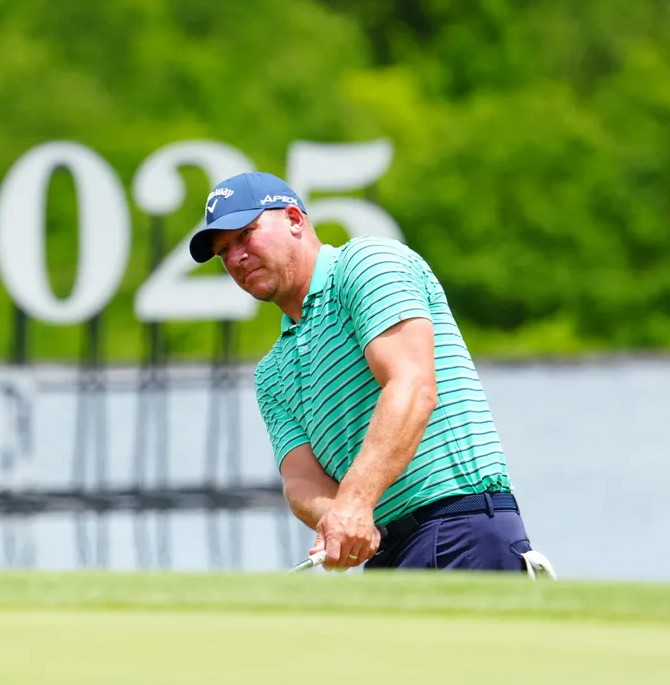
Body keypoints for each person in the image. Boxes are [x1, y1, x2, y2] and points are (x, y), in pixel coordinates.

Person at [190, 171, 547, 574]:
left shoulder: (366, 264)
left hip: (460, 528)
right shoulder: (271, 373)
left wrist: (355, 504)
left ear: (294, 219)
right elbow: (300, 479)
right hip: (384, 553)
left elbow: (412, 385)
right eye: (223, 251)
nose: (235, 257)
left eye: (246, 234)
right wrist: (336, 519)